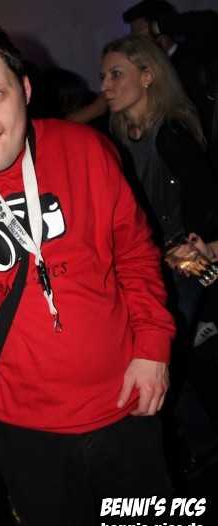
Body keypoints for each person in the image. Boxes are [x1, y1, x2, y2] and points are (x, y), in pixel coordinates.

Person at [0, 17, 176, 526]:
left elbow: (136, 254)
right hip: (24, 434)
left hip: (128, 405)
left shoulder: (87, 149)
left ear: (24, 89)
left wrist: (153, 347)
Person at [100, 33, 218, 480]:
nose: (106, 86)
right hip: (148, 262)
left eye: (116, 74)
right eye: (103, 76)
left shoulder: (168, 131)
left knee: (160, 355)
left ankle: (202, 442)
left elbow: (211, 196)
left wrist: (194, 244)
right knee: (156, 354)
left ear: (147, 77)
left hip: (180, 265)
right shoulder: (121, 132)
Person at [122, 0, 218, 142]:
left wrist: (156, 27)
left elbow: (210, 21)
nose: (138, 44)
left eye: (140, 35)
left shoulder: (192, 54)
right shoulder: (145, 77)